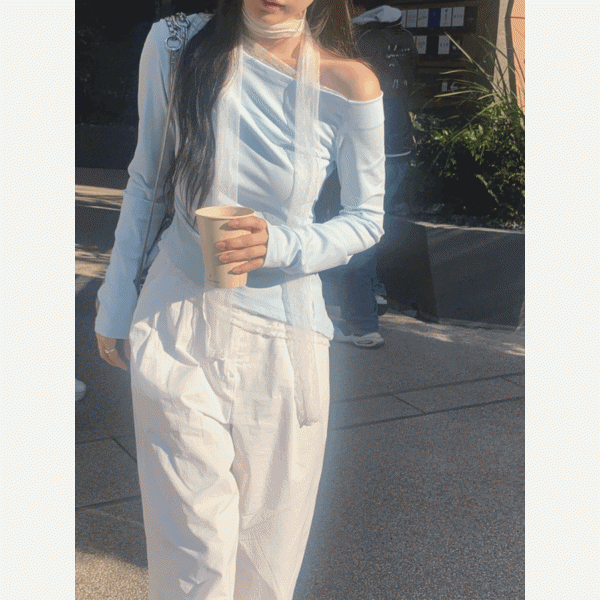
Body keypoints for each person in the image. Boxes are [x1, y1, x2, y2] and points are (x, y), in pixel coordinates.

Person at [94, 1, 385, 598]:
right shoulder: (176, 45)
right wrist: (116, 301)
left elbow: (367, 218)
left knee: (266, 563)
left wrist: (280, 243)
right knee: (192, 553)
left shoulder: (349, 83)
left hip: (285, 345)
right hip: (175, 323)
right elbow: (148, 179)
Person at [321, 6, 418, 348]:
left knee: (353, 229)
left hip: (366, 152)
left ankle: (362, 325)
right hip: (400, 149)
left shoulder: (356, 42)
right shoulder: (404, 38)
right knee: (373, 223)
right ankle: (374, 294)